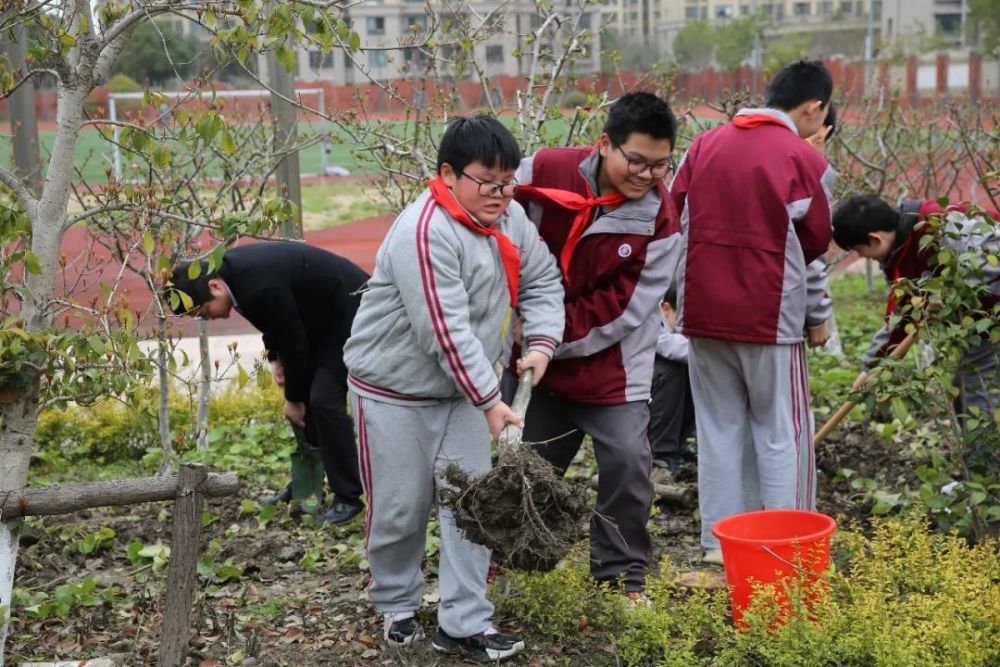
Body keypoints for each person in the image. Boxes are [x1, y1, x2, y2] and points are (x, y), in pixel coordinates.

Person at [343, 115, 564, 661]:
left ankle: (464, 622)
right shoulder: (427, 230)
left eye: (508, 181)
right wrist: (491, 400)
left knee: (472, 505)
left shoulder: (510, 222)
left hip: (464, 392)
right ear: (448, 173)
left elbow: (541, 279)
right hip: (393, 392)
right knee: (400, 506)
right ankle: (396, 602)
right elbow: (445, 330)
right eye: (487, 181)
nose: (501, 194)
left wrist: (540, 342)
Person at [508, 91, 682, 598]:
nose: (646, 176)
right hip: (533, 361)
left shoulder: (660, 221)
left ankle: (620, 576)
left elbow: (624, 309)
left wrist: (544, 335)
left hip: (612, 368)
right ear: (605, 145)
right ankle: (518, 565)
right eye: (636, 161)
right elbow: (491, 208)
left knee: (629, 467)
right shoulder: (541, 169)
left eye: (660, 166)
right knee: (527, 467)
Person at [668, 59, 837, 564]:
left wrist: (677, 295)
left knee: (718, 430)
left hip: (702, 313)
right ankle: (785, 541)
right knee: (781, 430)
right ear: (814, 107)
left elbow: (673, 214)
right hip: (769, 317)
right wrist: (817, 316)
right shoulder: (805, 161)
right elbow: (813, 248)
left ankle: (719, 542)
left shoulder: (704, 146)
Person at [169, 242, 369, 525]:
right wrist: (276, 359)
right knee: (306, 394)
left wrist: (294, 399)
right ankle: (307, 484)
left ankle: (348, 498)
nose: (208, 318)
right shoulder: (234, 276)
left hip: (352, 311)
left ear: (214, 286)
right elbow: (274, 320)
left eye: (203, 312)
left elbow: (295, 344)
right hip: (317, 317)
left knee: (323, 399)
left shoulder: (254, 282)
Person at [833, 195, 1000, 422]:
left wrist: (949, 294)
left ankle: (983, 455)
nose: (861, 256)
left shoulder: (940, 223)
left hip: (991, 318)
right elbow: (903, 315)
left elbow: (993, 257)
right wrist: (872, 366)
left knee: (976, 395)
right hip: (984, 327)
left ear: (874, 239)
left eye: (857, 249)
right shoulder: (899, 257)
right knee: (969, 391)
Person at [648, 287, 696, 475]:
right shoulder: (650, 318)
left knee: (694, 373)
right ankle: (660, 450)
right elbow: (668, 346)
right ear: (667, 309)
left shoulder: (672, 319)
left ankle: (677, 446)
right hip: (638, 388)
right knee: (671, 369)